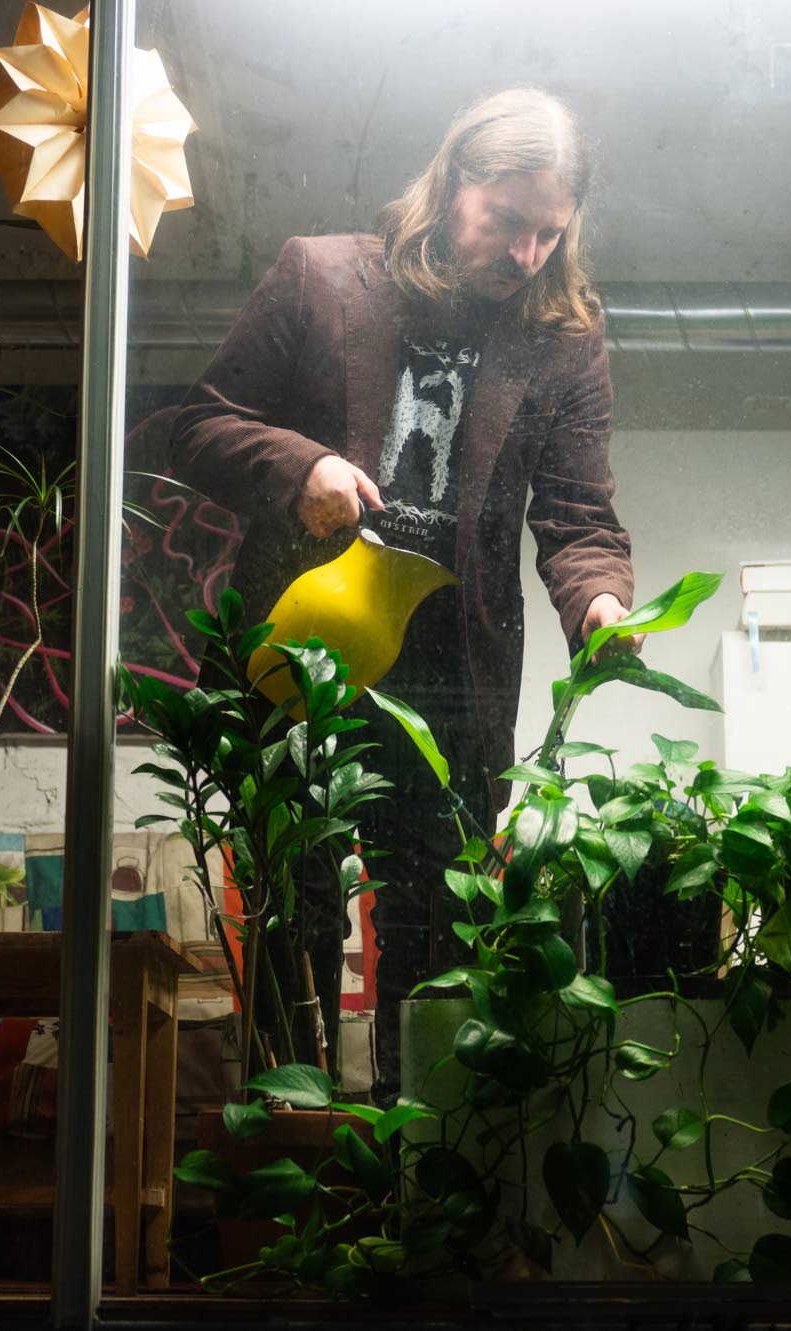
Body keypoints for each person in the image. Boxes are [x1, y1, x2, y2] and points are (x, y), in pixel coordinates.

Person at [169, 87, 635, 1104]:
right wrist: (300, 467)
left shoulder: (566, 337)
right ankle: (291, 1145)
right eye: (506, 220)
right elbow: (199, 425)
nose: (526, 254)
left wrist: (598, 601)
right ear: (453, 180)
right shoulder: (320, 275)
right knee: (289, 911)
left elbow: (578, 516)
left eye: (548, 233)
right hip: (302, 658)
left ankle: (415, 1162)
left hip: (454, 682)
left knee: (436, 932)